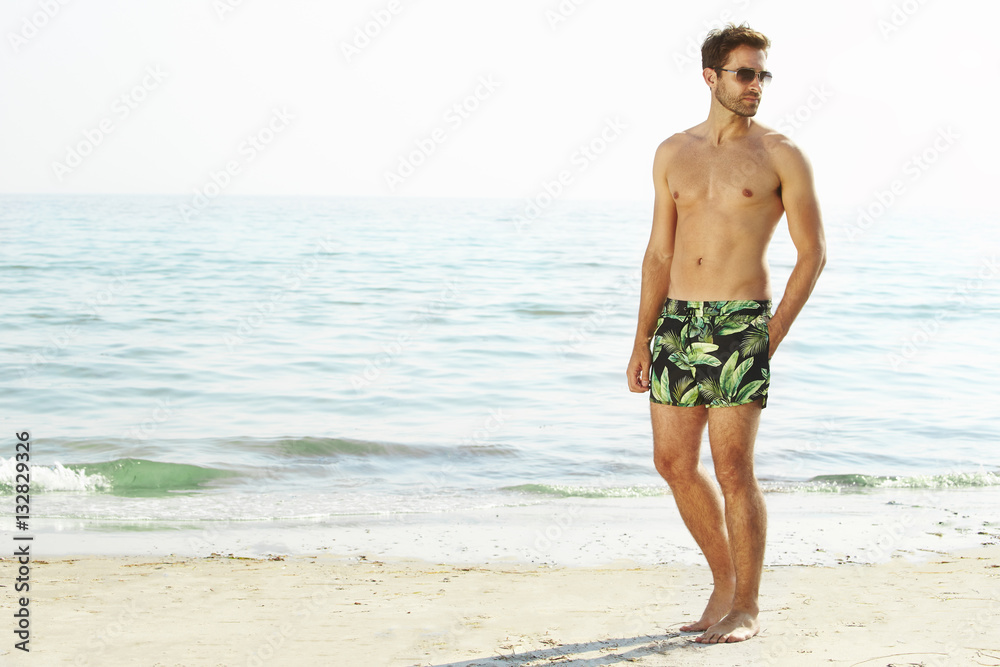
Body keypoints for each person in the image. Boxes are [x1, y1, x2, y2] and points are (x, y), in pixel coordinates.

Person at [625, 23, 826, 643]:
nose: (756, 85)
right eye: (744, 73)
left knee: (734, 466)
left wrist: (771, 335)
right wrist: (640, 342)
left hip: (741, 323)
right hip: (679, 322)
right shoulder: (671, 152)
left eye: (763, 74)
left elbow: (812, 253)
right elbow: (659, 253)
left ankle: (748, 606)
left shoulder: (781, 153)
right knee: (672, 461)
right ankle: (722, 582)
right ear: (711, 77)